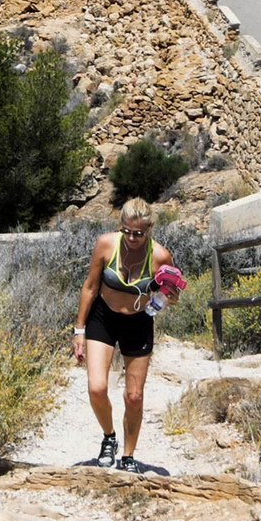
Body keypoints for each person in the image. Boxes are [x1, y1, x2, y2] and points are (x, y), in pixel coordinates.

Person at [73, 199, 176, 473]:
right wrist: (79, 330)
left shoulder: (160, 257)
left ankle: (128, 456)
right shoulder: (106, 244)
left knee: (134, 396)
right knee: (96, 387)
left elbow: (169, 295)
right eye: (127, 231)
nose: (132, 238)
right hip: (103, 317)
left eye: (139, 233)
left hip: (138, 322)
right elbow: (90, 287)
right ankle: (109, 437)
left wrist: (169, 296)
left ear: (150, 229)